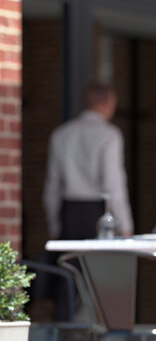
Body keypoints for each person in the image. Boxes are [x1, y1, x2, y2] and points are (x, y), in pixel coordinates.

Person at [43, 83, 134, 240]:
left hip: (68, 214)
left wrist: (54, 226)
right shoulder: (109, 135)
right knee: (98, 264)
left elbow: (52, 187)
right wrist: (126, 226)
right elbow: (113, 184)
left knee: (69, 263)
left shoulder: (61, 134)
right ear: (108, 103)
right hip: (98, 214)